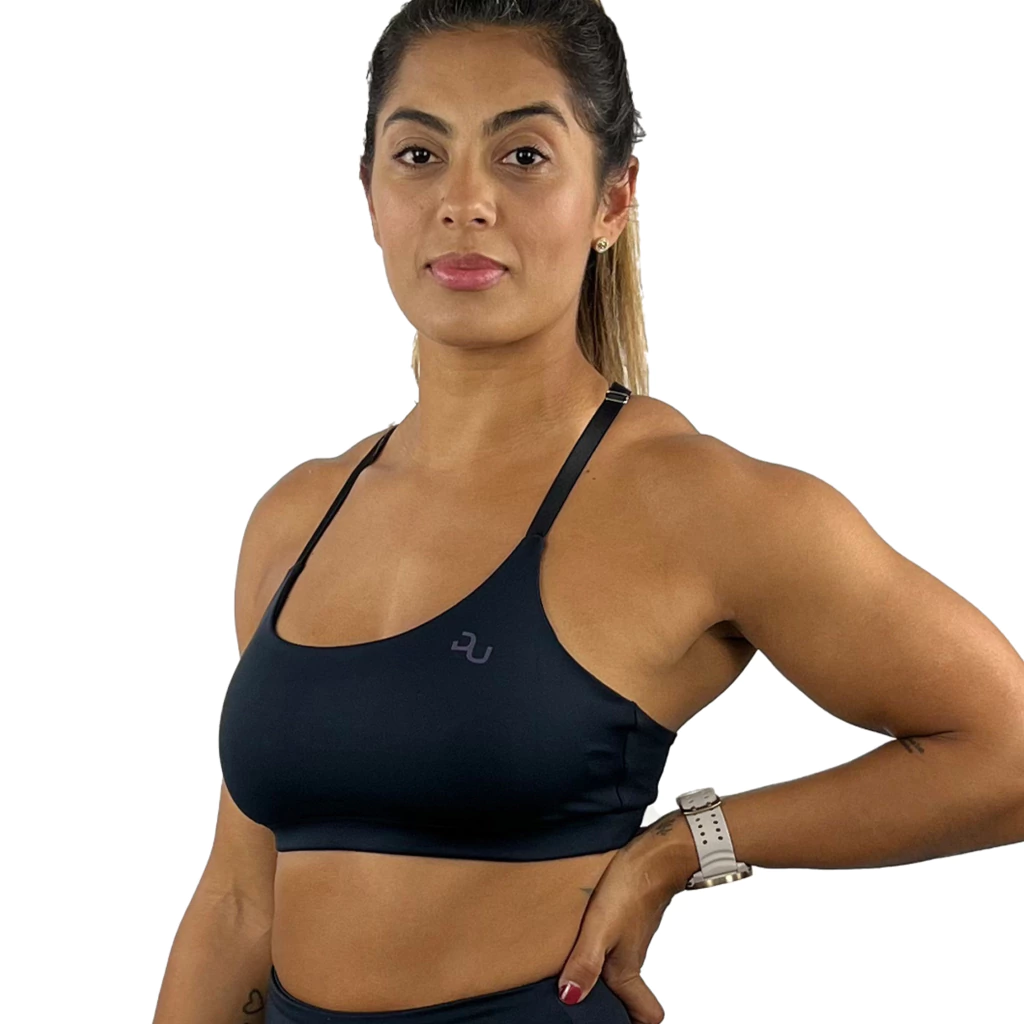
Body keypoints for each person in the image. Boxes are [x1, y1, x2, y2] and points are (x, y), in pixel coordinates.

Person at [153, 2, 1024, 1023]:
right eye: (419, 155)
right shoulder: (297, 518)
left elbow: (1004, 751)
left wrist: (685, 845)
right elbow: (237, 904)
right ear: (370, 196)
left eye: (522, 156)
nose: (464, 202)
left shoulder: (693, 503)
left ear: (613, 200)